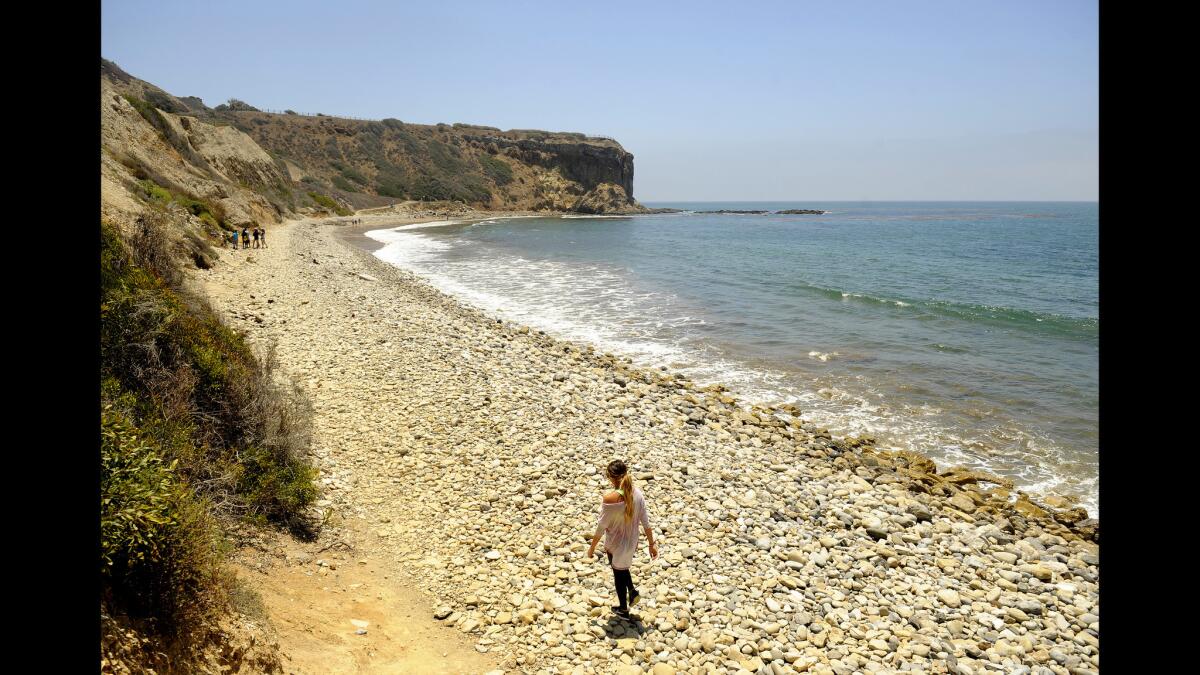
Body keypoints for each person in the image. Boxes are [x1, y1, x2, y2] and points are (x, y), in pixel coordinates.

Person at [587, 459, 657, 619]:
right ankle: (632, 592)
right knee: (622, 569)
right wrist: (651, 544)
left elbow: (601, 526)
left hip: (615, 544)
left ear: (611, 478)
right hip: (631, 542)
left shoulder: (610, 499)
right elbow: (646, 522)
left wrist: (592, 547)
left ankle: (624, 609)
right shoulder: (638, 494)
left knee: (618, 574)